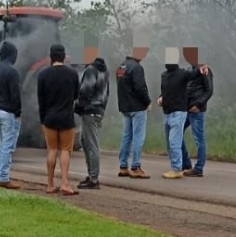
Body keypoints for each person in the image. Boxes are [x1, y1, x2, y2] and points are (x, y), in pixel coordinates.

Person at [37, 43, 80, 195]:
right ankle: (65, 183)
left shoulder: (43, 74)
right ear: (63, 56)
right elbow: (76, 95)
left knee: (52, 150)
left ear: (51, 57)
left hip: (49, 118)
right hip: (67, 118)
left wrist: (42, 121)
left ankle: (49, 184)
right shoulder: (72, 74)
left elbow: (40, 101)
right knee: (65, 151)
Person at [157, 62, 209, 179]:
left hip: (187, 110)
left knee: (184, 140)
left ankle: (184, 168)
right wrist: (161, 98)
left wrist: (202, 69)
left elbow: (207, 88)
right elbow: (168, 90)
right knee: (172, 141)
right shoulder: (164, 75)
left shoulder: (184, 73)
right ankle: (184, 164)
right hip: (172, 110)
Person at [0, 40, 22, 189]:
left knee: (2, 145)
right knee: (7, 146)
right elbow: (15, 95)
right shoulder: (12, 72)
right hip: (7, 112)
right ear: (12, 55)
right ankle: (3, 177)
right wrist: (18, 112)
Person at [74, 57, 109, 189]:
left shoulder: (90, 70)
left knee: (91, 145)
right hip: (99, 110)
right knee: (84, 141)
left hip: (89, 110)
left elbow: (85, 90)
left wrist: (78, 106)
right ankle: (91, 175)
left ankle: (94, 179)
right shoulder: (104, 71)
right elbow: (106, 93)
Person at [116, 53, 152, 179]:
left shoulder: (121, 67)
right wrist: (147, 102)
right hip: (137, 107)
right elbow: (140, 88)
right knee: (138, 137)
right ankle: (135, 167)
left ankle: (123, 166)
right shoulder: (137, 68)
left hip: (126, 107)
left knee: (126, 137)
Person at [181, 65, 213, 177]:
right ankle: (185, 163)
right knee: (176, 133)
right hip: (186, 109)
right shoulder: (190, 70)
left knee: (199, 139)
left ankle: (199, 168)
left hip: (197, 110)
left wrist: (198, 104)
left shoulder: (205, 69)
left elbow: (209, 90)